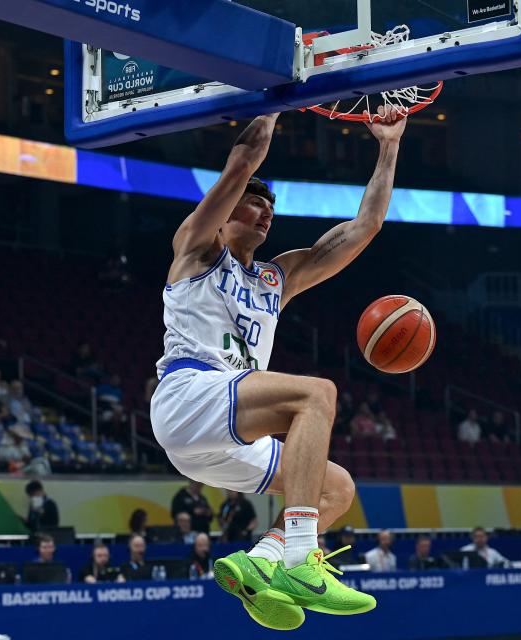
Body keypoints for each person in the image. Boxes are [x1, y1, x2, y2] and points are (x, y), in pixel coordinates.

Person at [151, 108, 406, 628]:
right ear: (224, 211)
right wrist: (271, 103)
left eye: (272, 207)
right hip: (189, 395)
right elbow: (242, 160)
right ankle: (300, 560)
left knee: (338, 488)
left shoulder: (277, 278)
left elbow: (365, 226)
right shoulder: (197, 249)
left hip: (223, 437)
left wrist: (389, 145)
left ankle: (261, 562)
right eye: (254, 202)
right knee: (317, 394)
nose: (266, 212)